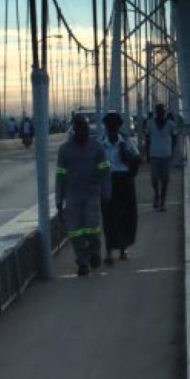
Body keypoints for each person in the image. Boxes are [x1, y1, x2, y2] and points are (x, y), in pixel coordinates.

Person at [54, 114, 111, 276]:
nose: (82, 131)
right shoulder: (64, 150)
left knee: (92, 227)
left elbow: (105, 172)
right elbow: (60, 176)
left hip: (92, 194)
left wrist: (106, 193)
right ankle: (82, 262)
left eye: (85, 128)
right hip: (72, 196)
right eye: (79, 128)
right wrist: (59, 199)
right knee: (75, 232)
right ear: (74, 129)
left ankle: (94, 252)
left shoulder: (97, 148)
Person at [101, 110, 140, 264]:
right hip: (109, 181)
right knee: (108, 217)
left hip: (124, 180)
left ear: (118, 126)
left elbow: (138, 157)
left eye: (114, 124)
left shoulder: (126, 142)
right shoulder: (101, 143)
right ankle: (109, 252)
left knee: (126, 216)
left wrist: (127, 155)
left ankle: (123, 249)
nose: (112, 127)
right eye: (109, 124)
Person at [144, 102, 177, 211]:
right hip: (154, 154)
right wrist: (147, 154)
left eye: (161, 111)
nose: (160, 113)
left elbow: (175, 137)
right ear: (156, 112)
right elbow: (147, 139)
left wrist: (172, 150)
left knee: (165, 180)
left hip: (166, 155)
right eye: (158, 111)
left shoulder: (171, 124)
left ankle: (162, 201)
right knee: (154, 179)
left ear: (164, 112)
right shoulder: (150, 124)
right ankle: (157, 196)